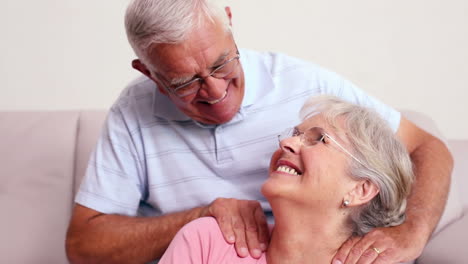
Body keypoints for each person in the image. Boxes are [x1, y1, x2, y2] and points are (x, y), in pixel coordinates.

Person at [65, 0, 453, 263]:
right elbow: (83, 245)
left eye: (221, 64)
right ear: (149, 74)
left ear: (230, 21)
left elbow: (427, 148)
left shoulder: (306, 86)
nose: (216, 93)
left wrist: (413, 232)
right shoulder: (134, 114)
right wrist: (201, 217)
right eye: (186, 82)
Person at [158, 96, 415, 263]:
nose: (287, 143)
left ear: (361, 189)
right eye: (295, 134)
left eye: (318, 139)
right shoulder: (207, 239)